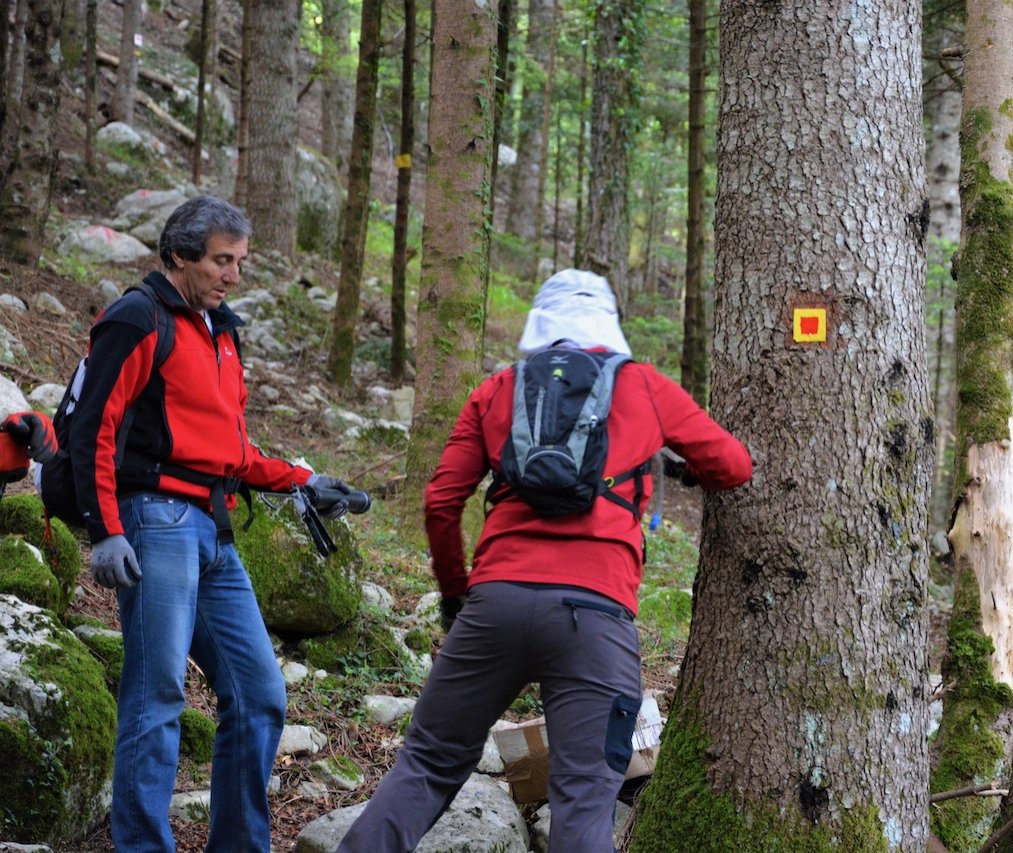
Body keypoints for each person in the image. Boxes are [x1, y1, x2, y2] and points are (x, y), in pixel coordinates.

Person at [337, 269, 753, 852]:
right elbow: (734, 465)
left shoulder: (496, 389)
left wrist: (458, 594)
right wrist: (683, 462)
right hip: (597, 617)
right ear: (607, 325)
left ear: (540, 326)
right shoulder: (643, 386)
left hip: (495, 605)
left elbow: (440, 502)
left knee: (426, 766)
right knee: (584, 803)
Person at [69, 195, 356, 853]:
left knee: (259, 694)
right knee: (159, 692)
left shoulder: (220, 330)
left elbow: (230, 449)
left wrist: (303, 480)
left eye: (240, 262)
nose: (233, 274)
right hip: (155, 521)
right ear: (178, 255)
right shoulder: (138, 319)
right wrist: (106, 527)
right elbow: (93, 429)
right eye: (221, 260)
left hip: (214, 528)